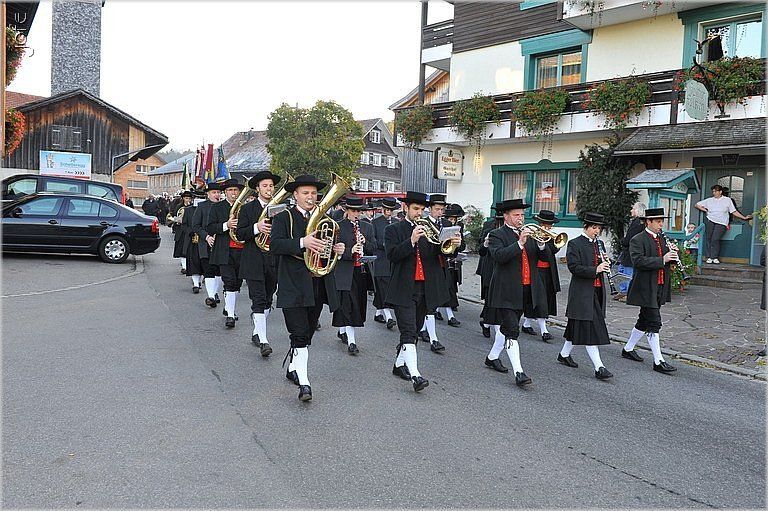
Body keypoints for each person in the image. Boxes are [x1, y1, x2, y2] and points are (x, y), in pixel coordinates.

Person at [270, 174, 343, 402]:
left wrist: (337, 250)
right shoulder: (284, 217)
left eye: (313, 193)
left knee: (307, 333)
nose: (310, 197)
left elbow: (326, 251)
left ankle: (294, 367)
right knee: (299, 334)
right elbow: (275, 245)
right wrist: (303, 242)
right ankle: (304, 383)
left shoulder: (326, 220)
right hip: (293, 283)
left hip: (317, 284)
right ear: (295, 195)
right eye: (305, 193)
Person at [385, 191, 460, 392]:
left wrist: (453, 245)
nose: (419, 213)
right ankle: (416, 376)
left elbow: (440, 253)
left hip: (425, 287)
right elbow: (392, 255)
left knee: (416, 329)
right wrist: (411, 241)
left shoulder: (430, 229)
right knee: (409, 331)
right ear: (405, 208)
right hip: (403, 287)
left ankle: (399, 364)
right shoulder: (394, 230)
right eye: (415, 209)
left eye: (421, 209)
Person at [484, 198, 549, 386]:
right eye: (516, 215)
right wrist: (520, 243)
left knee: (506, 327)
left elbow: (545, 257)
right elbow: (499, 256)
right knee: (512, 330)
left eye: (522, 215)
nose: (520, 218)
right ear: (506, 216)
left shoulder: (530, 234)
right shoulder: (496, 235)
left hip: (526, 289)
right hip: (505, 290)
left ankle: (492, 357)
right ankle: (519, 373)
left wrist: (542, 244)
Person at [622, 207, 679, 373]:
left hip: (660, 285)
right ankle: (658, 361)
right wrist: (663, 259)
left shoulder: (662, 238)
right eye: (658, 221)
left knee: (644, 320)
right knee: (654, 322)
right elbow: (638, 261)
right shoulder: (637, 239)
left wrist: (673, 257)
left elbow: (666, 261)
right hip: (645, 287)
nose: (661, 225)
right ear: (648, 222)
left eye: (662, 221)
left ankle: (627, 349)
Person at [558, 212, 613, 380]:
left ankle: (564, 355)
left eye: (599, 228)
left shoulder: (600, 244)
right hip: (582, 292)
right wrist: (596, 269)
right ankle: (599, 367)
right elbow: (574, 268)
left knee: (576, 326)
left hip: (597, 291)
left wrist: (606, 263)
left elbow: (601, 265)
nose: (597, 231)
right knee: (591, 330)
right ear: (586, 227)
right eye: (594, 228)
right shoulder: (575, 244)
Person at [234, 171, 282, 357]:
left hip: (273, 259)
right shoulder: (247, 209)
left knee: (268, 298)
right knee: (259, 299)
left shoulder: (281, 209)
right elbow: (240, 234)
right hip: (253, 258)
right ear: (257, 189)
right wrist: (257, 227)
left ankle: (257, 331)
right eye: (265, 186)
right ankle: (264, 341)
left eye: (271, 186)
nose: (269, 189)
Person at [332, 196, 376, 354]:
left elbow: (373, 247)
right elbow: (332, 250)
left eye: (359, 211)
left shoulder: (367, 227)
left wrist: (365, 242)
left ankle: (343, 330)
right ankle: (352, 342)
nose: (356, 214)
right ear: (347, 210)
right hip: (345, 271)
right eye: (353, 211)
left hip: (361, 271)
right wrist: (349, 251)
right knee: (348, 305)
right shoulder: (338, 226)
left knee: (357, 304)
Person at [207, 178, 246, 329]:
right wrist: (226, 225)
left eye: (236, 190)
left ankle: (229, 307)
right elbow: (210, 227)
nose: (233, 193)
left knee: (237, 283)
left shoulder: (245, 208)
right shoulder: (217, 207)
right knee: (229, 281)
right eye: (230, 190)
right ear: (225, 192)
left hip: (242, 250)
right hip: (224, 250)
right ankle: (230, 314)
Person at [520, 209, 561, 342]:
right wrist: (540, 244)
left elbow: (554, 250)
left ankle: (526, 324)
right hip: (535, 271)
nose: (548, 227)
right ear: (540, 223)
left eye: (550, 225)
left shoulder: (551, 237)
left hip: (549, 271)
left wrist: (545, 244)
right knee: (540, 299)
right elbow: (530, 251)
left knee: (544, 298)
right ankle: (544, 331)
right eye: (546, 224)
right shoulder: (532, 235)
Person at [418, 193, 448, 352]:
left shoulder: (447, 224)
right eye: (437, 209)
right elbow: (424, 249)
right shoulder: (424, 224)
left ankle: (422, 329)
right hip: (427, 266)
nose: (440, 212)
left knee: (434, 302)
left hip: (441, 267)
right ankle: (433, 339)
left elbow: (457, 248)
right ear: (430, 209)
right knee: (430, 304)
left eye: (442, 210)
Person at [695, 184, 753, 264]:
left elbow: (733, 211)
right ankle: (709, 257)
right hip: (710, 220)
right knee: (709, 238)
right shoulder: (709, 200)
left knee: (715, 239)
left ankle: (714, 257)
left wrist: (744, 217)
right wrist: (705, 210)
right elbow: (697, 204)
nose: (714, 193)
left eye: (716, 191)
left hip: (722, 222)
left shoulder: (727, 200)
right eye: (713, 191)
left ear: (720, 192)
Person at [191, 182, 223, 307]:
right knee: (208, 270)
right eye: (214, 192)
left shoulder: (224, 206)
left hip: (220, 242)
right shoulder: (202, 206)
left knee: (219, 271)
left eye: (218, 192)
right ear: (208, 194)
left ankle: (215, 292)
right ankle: (211, 296)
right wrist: (206, 237)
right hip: (205, 243)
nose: (217, 195)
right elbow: (195, 225)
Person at [371, 197, 400, 329]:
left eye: (391, 210)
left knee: (383, 290)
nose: (389, 212)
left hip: (392, 261)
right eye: (387, 210)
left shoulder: (396, 222)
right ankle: (389, 317)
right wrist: (385, 244)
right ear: (382, 209)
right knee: (383, 288)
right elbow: (372, 241)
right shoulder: (375, 222)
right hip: (380, 260)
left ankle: (378, 314)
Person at [438, 203, 467, 327]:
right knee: (445, 288)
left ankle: (442, 312)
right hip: (441, 262)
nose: (452, 221)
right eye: (450, 218)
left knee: (449, 288)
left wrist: (458, 243)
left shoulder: (458, 228)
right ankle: (447, 315)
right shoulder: (441, 226)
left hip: (453, 263)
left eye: (454, 219)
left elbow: (463, 246)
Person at [477, 205, 504, 339]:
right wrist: (486, 243)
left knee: (497, 299)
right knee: (490, 298)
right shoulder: (488, 226)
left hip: (502, 268)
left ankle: (487, 323)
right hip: (488, 267)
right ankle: (492, 326)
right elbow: (481, 250)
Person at [616, 202, 646, 298]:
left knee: (627, 273)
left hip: (630, 252)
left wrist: (623, 241)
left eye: (633, 209)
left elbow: (630, 239)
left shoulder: (637, 223)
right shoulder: (641, 222)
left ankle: (626, 293)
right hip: (632, 251)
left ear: (638, 210)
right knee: (622, 270)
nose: (631, 210)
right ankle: (624, 292)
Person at [183, 189, 206, 294]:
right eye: (197, 198)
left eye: (201, 198)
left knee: (204, 262)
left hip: (205, 240)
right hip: (193, 241)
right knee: (194, 262)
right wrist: (190, 232)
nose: (199, 200)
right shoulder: (188, 210)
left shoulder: (209, 209)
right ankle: (196, 284)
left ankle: (202, 280)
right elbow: (184, 225)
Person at [171, 190, 193, 274]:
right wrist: (177, 221)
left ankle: (188, 266)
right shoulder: (178, 206)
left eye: (189, 198)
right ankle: (184, 267)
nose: (188, 200)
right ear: (183, 198)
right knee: (181, 248)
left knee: (188, 249)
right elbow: (174, 215)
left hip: (189, 229)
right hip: (180, 230)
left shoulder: (193, 207)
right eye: (186, 198)